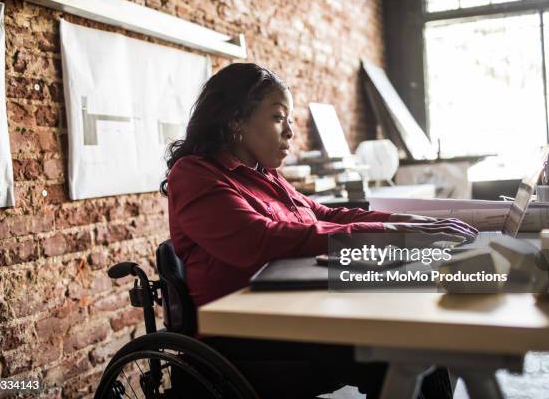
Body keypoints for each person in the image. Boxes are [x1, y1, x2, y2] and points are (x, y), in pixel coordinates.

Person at [161, 63, 477, 399]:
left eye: (290, 120)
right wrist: (386, 230)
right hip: (246, 339)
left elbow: (321, 214)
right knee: (400, 348)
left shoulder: (264, 174)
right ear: (236, 119)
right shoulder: (195, 175)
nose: (290, 133)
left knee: (417, 328)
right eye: (278, 117)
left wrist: (402, 222)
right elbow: (260, 239)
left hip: (292, 310)